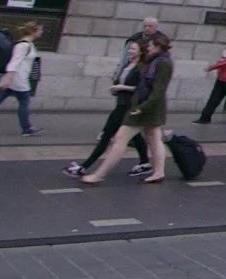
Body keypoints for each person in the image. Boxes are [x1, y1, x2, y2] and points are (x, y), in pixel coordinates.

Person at [82, 33, 174, 184]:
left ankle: (99, 175)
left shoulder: (162, 63)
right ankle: (158, 172)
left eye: (150, 46)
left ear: (158, 46)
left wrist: (142, 107)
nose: (147, 49)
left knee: (120, 139)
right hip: (147, 106)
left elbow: (158, 90)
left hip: (146, 107)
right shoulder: (153, 61)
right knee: (153, 138)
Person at [65, 38, 151, 177]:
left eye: (133, 49)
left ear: (141, 51)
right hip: (121, 103)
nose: (129, 51)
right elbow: (121, 83)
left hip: (128, 106)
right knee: (135, 137)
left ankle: (84, 167)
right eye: (129, 49)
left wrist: (122, 87)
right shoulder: (127, 65)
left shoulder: (142, 68)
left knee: (107, 135)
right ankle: (145, 163)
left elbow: (142, 88)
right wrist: (116, 88)